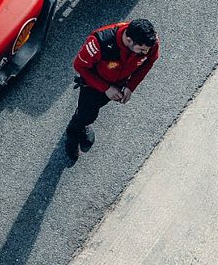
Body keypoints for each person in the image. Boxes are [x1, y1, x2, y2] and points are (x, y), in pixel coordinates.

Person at [65, 18, 159, 160]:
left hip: (118, 84)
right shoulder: (99, 41)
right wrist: (106, 88)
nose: (144, 53)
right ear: (128, 40)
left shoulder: (149, 43)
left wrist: (130, 86)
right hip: (94, 84)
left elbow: (149, 62)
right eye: (141, 50)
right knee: (87, 114)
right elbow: (79, 66)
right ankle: (73, 134)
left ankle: (82, 122)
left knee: (95, 108)